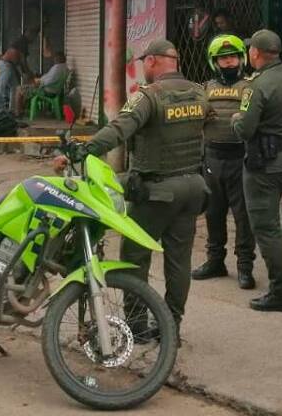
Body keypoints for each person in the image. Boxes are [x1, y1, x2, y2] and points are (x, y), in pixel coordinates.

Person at [56, 39, 207, 333]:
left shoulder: (149, 96)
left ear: (152, 61)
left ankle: (137, 325)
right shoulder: (199, 93)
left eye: (143, 64)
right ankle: (171, 326)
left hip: (157, 191)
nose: (143, 70)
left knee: (135, 257)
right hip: (193, 187)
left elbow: (118, 129)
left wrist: (84, 149)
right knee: (179, 262)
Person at [232, 29, 282, 313]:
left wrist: (236, 118)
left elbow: (245, 129)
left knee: (266, 228)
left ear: (256, 53)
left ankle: (281, 291)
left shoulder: (256, 85)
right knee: (270, 222)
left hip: (264, 163)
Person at [192, 35, 256, 290]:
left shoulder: (250, 86)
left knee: (243, 216)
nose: (228, 62)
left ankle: (245, 268)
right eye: (222, 58)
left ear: (241, 59)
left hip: (240, 158)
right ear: (214, 62)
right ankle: (215, 261)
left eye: (232, 57)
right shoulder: (205, 88)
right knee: (213, 213)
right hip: (212, 158)